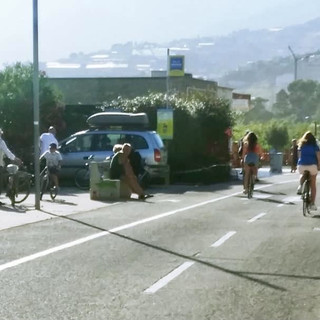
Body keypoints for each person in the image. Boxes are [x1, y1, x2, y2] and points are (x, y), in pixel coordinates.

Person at [296, 131, 320, 211]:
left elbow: (299, 157)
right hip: (312, 165)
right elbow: (318, 157)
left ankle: (300, 186)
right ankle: (312, 203)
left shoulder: (301, 145)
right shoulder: (315, 146)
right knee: (313, 184)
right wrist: (319, 165)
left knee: (302, 174)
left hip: (302, 165)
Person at [0, 128, 22, 203]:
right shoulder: (1, 142)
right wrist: (15, 159)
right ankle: (9, 192)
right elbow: (7, 152)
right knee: (3, 180)